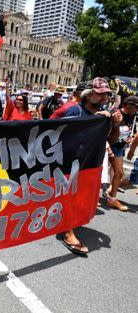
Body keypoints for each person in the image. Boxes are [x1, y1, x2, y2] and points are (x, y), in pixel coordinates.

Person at [58, 77, 121, 255]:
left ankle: (66, 222)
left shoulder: (104, 114)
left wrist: (114, 124)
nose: (103, 98)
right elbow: (63, 136)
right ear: (89, 94)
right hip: (72, 162)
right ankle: (68, 232)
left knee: (82, 196)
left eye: (106, 95)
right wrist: (92, 121)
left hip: (92, 163)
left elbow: (113, 139)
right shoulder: (74, 111)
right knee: (71, 194)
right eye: (99, 94)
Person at [106, 95, 137, 211]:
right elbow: (107, 130)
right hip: (108, 147)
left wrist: (128, 138)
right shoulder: (117, 114)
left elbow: (128, 130)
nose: (137, 110)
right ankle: (95, 198)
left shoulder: (131, 115)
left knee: (119, 173)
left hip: (119, 147)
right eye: (136, 107)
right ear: (128, 105)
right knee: (98, 173)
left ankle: (112, 199)